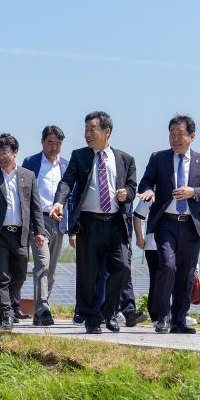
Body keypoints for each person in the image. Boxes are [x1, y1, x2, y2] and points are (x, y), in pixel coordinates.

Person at [50, 111, 136, 334]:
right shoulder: (80, 156)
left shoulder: (126, 159)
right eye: (86, 130)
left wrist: (126, 193)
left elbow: (132, 187)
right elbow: (67, 182)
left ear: (106, 132)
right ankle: (91, 317)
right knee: (89, 273)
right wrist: (59, 202)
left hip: (116, 223)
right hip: (89, 222)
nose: (87, 134)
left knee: (122, 267)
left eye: (92, 129)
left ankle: (109, 312)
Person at [138, 115, 200, 334]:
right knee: (167, 266)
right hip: (165, 223)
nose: (175, 138)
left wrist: (194, 192)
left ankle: (179, 319)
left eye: (180, 134)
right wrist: (148, 190)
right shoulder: (159, 158)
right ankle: (163, 316)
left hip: (191, 224)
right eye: (171, 133)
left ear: (192, 136)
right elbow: (146, 181)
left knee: (186, 273)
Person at [0, 132, 46, 330]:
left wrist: (39, 231)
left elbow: (35, 207)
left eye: (4, 151)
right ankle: (6, 315)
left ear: (15, 152)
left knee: (20, 275)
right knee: (1, 276)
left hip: (20, 233)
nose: (0, 156)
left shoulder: (28, 176)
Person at [20, 125, 69, 326]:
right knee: (42, 263)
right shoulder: (31, 162)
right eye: (50, 142)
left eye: (58, 144)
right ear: (42, 142)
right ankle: (43, 307)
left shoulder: (66, 166)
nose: (54, 147)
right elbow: (24, 194)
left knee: (51, 268)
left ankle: (40, 313)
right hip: (38, 220)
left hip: (59, 221)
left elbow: (70, 195)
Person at [133, 200, 158, 322]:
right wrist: (139, 237)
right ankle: (155, 314)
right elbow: (137, 216)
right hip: (153, 245)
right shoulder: (150, 195)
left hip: (175, 245)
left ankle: (177, 314)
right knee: (157, 280)